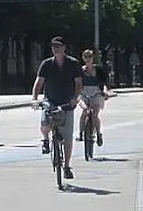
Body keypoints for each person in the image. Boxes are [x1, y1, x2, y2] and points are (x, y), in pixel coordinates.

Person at [31, 36, 83, 180]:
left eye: (58, 46)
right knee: (44, 121)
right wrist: (35, 99)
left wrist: (75, 98)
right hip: (50, 100)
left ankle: (66, 166)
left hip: (67, 103)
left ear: (65, 48)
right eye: (54, 46)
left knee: (67, 137)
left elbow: (78, 83)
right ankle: (46, 140)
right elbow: (39, 82)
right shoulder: (47, 64)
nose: (56, 48)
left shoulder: (73, 63)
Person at [77, 48, 110, 145]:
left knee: (95, 114)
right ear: (83, 58)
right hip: (83, 93)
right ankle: (81, 134)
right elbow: (77, 84)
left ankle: (99, 134)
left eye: (90, 57)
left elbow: (104, 83)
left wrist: (105, 92)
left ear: (93, 58)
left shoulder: (99, 70)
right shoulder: (80, 71)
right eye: (85, 57)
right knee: (84, 111)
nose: (88, 59)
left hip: (97, 93)